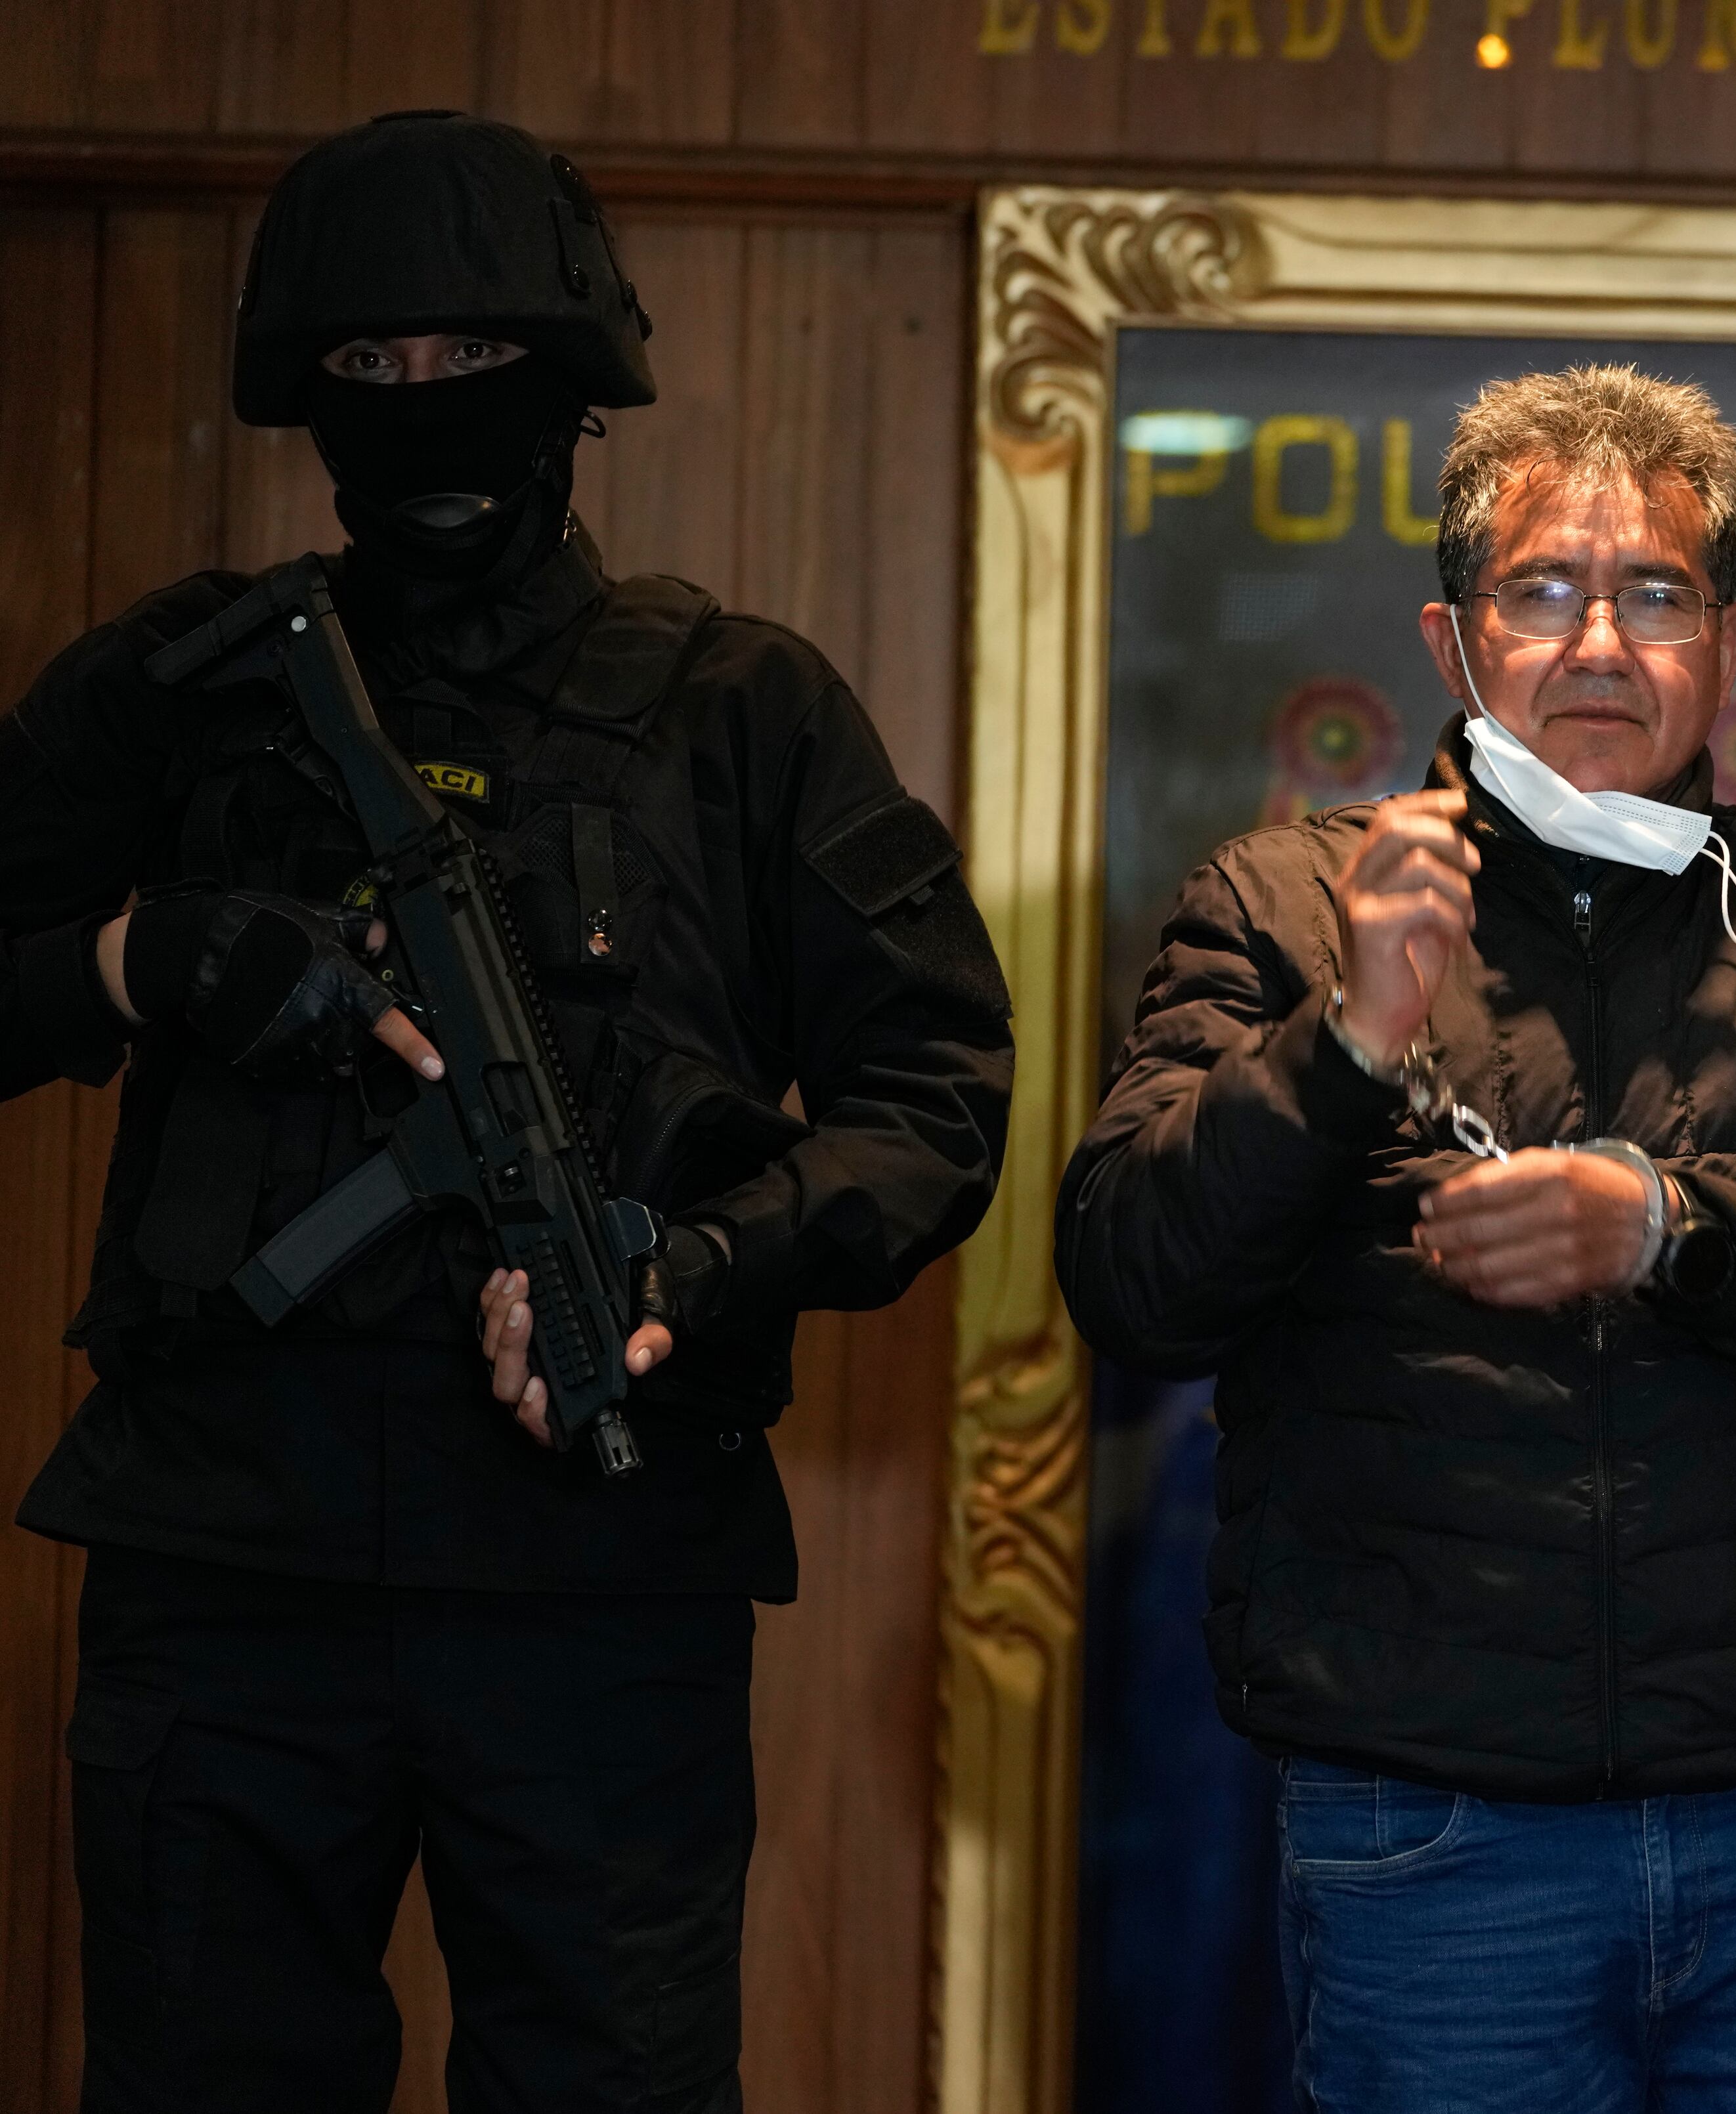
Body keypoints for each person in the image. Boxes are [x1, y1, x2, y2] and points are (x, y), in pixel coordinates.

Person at [2, 112, 1013, 2110]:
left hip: (597, 1584)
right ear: (304, 388)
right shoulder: (187, 692)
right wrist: (132, 962)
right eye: (368, 369)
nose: (420, 405)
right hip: (226, 1574)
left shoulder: (744, 709)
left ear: (570, 378)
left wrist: (697, 1261)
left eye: (467, 358)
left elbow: (938, 1095)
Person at [1060, 364, 1736, 2111]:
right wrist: (1348, 1041)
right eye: (1544, 590)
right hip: (1430, 1827)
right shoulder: (1285, 904)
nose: (1602, 640)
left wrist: (1677, 1225)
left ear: (1727, 639)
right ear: (1455, 640)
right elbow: (1132, 1281)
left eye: (1657, 592)